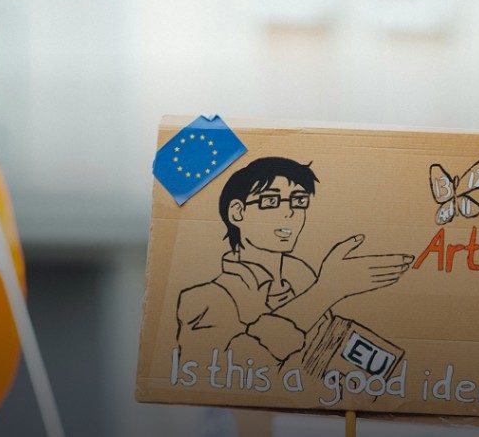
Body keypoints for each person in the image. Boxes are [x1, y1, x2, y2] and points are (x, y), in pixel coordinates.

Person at [176, 157, 413, 369]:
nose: (289, 212)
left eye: (299, 202)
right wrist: (326, 291)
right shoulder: (204, 299)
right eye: (271, 201)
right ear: (237, 212)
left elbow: (330, 348)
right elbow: (227, 372)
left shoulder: (301, 276)